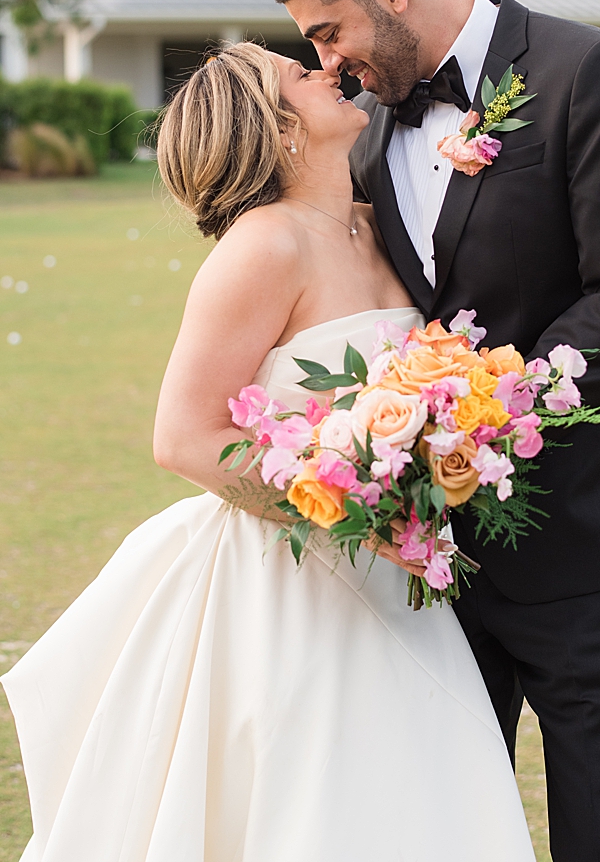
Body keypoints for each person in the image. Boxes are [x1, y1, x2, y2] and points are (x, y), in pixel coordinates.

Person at [1, 43, 536, 859]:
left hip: (399, 575)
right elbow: (181, 436)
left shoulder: (371, 220)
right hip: (295, 585)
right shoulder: (263, 247)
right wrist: (346, 503)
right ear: (280, 129)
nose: (326, 70)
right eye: (299, 73)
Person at [271, 0, 600, 862]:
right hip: (429, 553)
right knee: (453, 815)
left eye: (329, 32)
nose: (327, 62)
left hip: (581, 532)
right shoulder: (367, 130)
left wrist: (475, 412)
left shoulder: (594, 73)